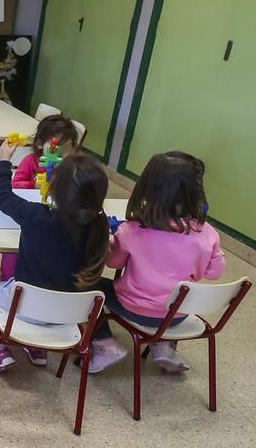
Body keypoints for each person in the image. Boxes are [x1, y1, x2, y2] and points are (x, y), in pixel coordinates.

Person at [0, 141, 110, 372]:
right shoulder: (98, 226)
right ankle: (37, 349)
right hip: (67, 315)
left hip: (24, 307)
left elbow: (2, 196)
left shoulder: (36, 216)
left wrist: (4, 159)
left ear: (53, 189)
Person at [87, 151, 226, 373]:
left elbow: (113, 263)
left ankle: (105, 345)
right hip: (178, 314)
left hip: (134, 307)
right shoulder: (207, 233)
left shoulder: (131, 230)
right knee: (171, 294)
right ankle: (163, 348)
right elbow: (214, 273)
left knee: (84, 285)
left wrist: (112, 241)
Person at [0, 114, 83, 279]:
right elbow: (15, 184)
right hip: (30, 210)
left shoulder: (74, 170)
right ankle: (8, 280)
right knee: (14, 247)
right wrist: (34, 185)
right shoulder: (31, 161)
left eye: (67, 149)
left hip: (51, 218)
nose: (61, 154)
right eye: (55, 147)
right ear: (39, 144)